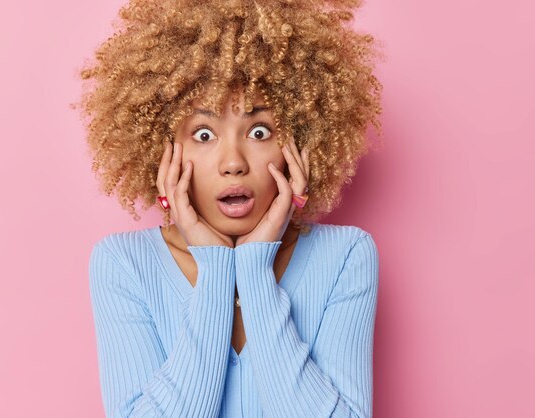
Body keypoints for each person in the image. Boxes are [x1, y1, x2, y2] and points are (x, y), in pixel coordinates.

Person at [76, 0, 382, 417]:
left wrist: (254, 267)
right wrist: (217, 266)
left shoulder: (346, 256)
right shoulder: (123, 264)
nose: (233, 162)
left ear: (300, 141)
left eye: (259, 131)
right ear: (162, 150)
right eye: (203, 134)